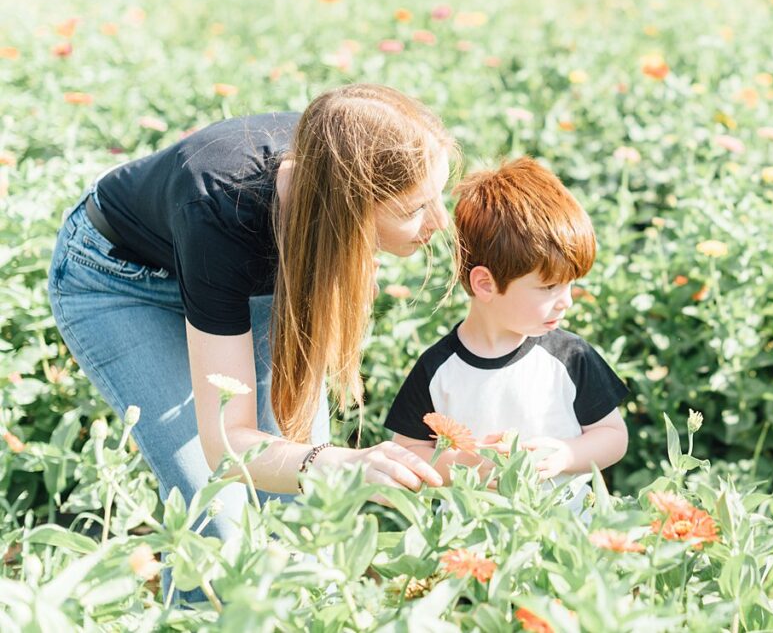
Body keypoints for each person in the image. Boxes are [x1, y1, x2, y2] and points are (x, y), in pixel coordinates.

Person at [47, 84, 454, 580]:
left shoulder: (337, 157)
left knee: (304, 513)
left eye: (437, 198)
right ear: (349, 207)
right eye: (415, 209)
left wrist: (316, 464)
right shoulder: (219, 210)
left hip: (234, 280)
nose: (439, 222)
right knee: (214, 513)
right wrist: (337, 463)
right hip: (121, 284)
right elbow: (227, 445)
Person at [383, 157, 628, 500]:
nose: (566, 301)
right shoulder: (438, 369)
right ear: (485, 284)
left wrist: (568, 455)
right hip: (471, 541)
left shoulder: (570, 357)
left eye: (570, 285)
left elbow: (613, 435)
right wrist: (464, 464)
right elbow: (408, 452)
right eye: (548, 288)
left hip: (562, 532)